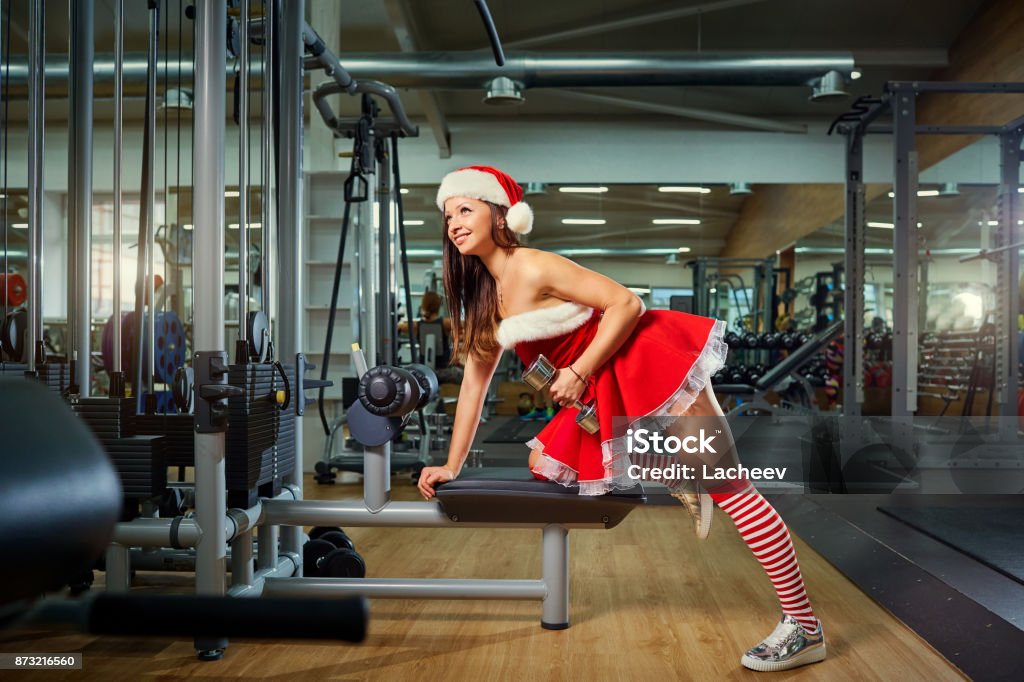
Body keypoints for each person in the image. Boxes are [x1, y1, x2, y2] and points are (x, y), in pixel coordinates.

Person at [417, 165, 826, 672]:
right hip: (603, 388)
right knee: (559, 461)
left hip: (644, 358)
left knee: (734, 489)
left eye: (465, 208)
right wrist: (452, 465)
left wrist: (580, 370)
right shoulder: (482, 299)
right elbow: (475, 387)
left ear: (501, 216)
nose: (454, 222)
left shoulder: (534, 265)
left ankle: (805, 628)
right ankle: (682, 473)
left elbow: (626, 302)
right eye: (448, 214)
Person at [398, 290, 462, 384]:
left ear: (423, 305)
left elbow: (398, 327)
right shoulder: (446, 323)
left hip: (423, 373)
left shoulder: (416, 325)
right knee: (466, 375)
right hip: (443, 371)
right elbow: (468, 324)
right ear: (438, 306)